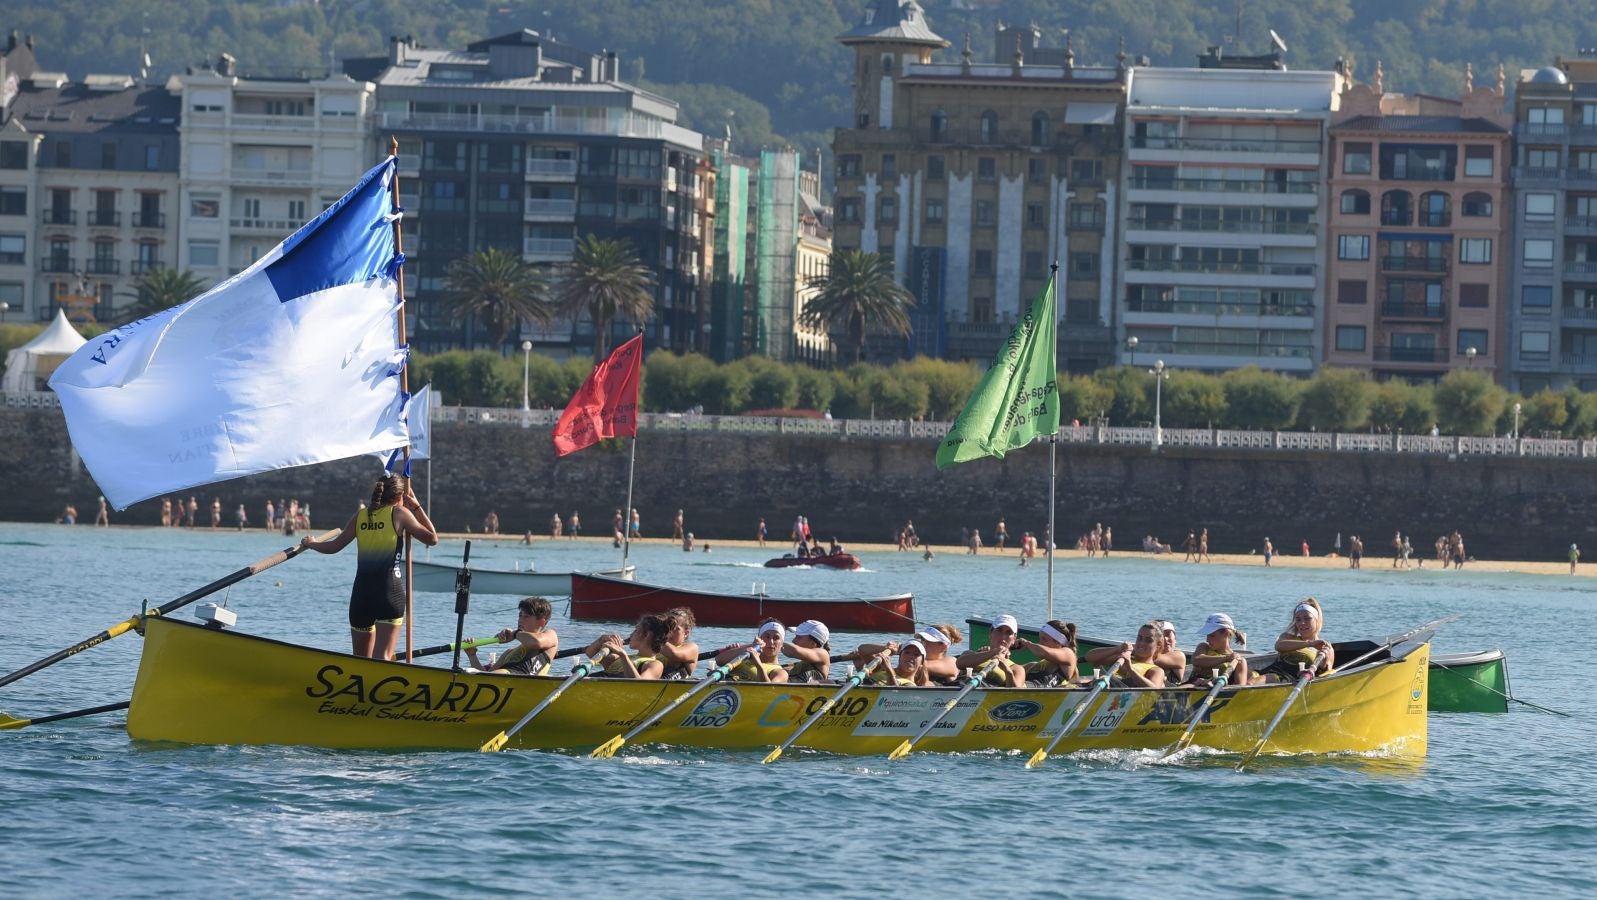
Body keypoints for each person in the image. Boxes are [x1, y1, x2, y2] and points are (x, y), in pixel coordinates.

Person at [299, 475, 439, 659]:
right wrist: (417, 507)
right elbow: (432, 538)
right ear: (400, 496)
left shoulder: (361, 515)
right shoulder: (399, 513)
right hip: (389, 594)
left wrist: (311, 544)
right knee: (382, 658)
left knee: (361, 661)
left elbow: (333, 547)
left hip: (361, 596)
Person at [468, 597, 559, 675]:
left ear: (542, 622)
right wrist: (472, 656)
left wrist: (515, 634)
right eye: (520, 615)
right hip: (500, 679)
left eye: (526, 616)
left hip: (521, 681)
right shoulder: (508, 653)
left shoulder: (551, 635)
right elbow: (484, 675)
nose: (520, 620)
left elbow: (536, 642)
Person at [1082, 623, 1167, 688]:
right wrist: (1117, 649)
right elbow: (1089, 657)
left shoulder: (1156, 670)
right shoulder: (1123, 659)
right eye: (1139, 638)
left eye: (1148, 640)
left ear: (1158, 645)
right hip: (1101, 688)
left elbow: (1154, 690)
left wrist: (1130, 670)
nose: (1141, 643)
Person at [584, 614, 668, 679]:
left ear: (646, 635)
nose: (631, 635)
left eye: (636, 630)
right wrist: (601, 640)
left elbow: (640, 686)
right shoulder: (618, 659)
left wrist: (623, 655)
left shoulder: (655, 665)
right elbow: (590, 653)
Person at [1268, 598, 1334, 679]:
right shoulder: (1287, 637)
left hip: (1286, 679)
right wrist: (1310, 643)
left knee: (1261, 680)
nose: (1302, 623)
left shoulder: (1326, 647)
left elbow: (1326, 675)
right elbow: (1278, 646)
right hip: (1271, 671)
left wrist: (1324, 662)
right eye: (1298, 619)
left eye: (1307, 618)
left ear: (1317, 620)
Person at [955, 614, 1028, 687]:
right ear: (990, 633)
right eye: (999, 630)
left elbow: (1015, 692)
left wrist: (1007, 671)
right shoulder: (970, 654)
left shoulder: (1016, 668)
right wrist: (993, 652)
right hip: (962, 685)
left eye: (1008, 633)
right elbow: (959, 663)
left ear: (1014, 639)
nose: (1003, 636)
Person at [1189, 613, 1256, 686]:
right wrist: (1226, 658)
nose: (1207, 640)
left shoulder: (1238, 661)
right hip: (1194, 684)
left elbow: (1240, 687)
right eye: (1207, 635)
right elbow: (1196, 660)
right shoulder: (1203, 647)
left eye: (1212, 635)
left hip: (1219, 689)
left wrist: (1212, 684)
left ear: (1226, 633)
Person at [718, 620, 789, 682]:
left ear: (782, 644)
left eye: (776, 638)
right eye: (767, 637)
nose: (771, 642)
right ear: (760, 639)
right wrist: (751, 646)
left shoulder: (780, 673)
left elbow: (770, 691)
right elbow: (719, 660)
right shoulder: (745, 655)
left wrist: (758, 665)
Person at [1014, 620, 1078, 687]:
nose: (1040, 643)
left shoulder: (1069, 654)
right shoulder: (1034, 665)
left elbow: (1042, 652)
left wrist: (1027, 644)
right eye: (1040, 639)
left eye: (1044, 639)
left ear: (1058, 642)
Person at [658, 607, 701, 680]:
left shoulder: (692, 648)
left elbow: (674, 654)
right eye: (667, 627)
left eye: (675, 629)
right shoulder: (657, 644)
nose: (670, 632)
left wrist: (655, 636)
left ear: (686, 633)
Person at [1152, 620, 1187, 684]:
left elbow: (1151, 658)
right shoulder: (1145, 655)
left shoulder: (1179, 656)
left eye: (1168, 634)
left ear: (1175, 639)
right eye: (1161, 636)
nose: (1165, 639)